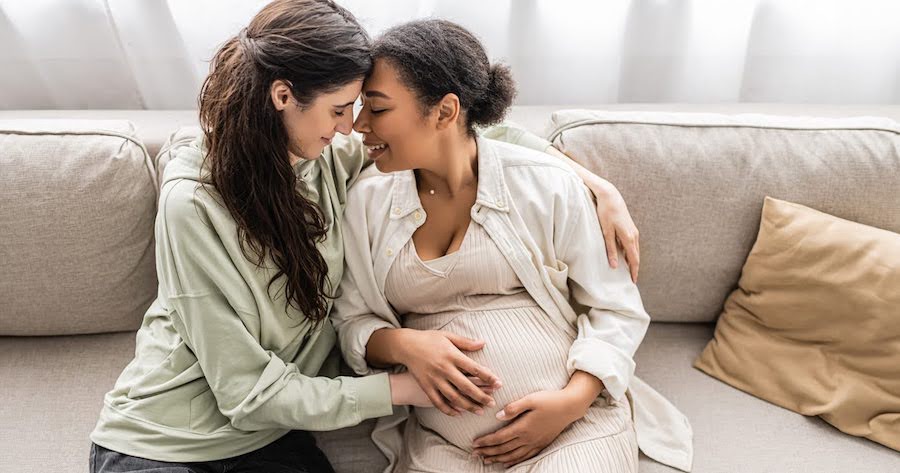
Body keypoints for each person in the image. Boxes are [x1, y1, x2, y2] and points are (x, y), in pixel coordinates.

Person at [88, 1, 642, 472]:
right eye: (339, 108)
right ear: (283, 97)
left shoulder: (325, 156)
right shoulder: (195, 204)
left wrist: (595, 184)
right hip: (163, 443)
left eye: (359, 108)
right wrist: (404, 385)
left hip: (273, 439)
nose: (352, 125)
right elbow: (247, 392)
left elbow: (464, 126)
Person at [333, 19, 650, 472]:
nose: (359, 125)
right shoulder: (366, 202)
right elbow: (350, 322)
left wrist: (570, 402)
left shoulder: (547, 186)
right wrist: (405, 345)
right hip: (443, 445)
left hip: (573, 431)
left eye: (378, 109)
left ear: (444, 112)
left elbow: (616, 309)